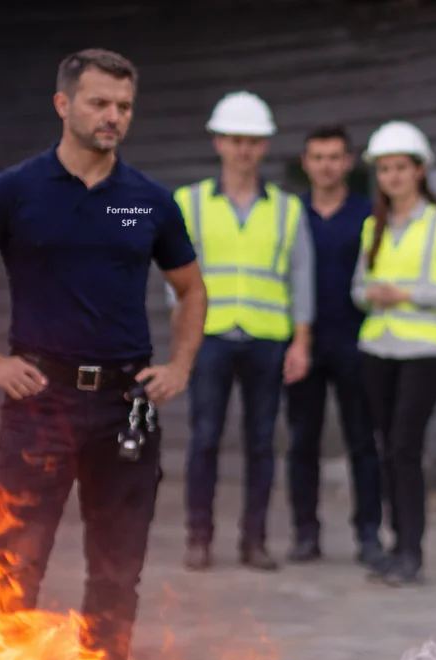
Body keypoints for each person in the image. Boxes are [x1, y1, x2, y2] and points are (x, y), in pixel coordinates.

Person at [0, 48, 205, 660]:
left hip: (124, 410)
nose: (113, 116)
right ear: (63, 104)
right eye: (100, 103)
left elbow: (190, 289)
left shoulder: (146, 203)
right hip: (40, 405)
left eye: (124, 106)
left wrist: (181, 365)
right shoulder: (12, 192)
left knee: (116, 570)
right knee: (16, 562)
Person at [174, 91, 315, 572]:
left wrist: (301, 341)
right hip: (209, 338)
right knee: (205, 439)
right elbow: (175, 276)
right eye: (234, 140)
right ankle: (199, 539)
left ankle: (253, 542)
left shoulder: (287, 209)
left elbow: (301, 278)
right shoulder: (188, 203)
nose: (243, 149)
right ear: (218, 142)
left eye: (252, 141)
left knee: (260, 443)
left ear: (264, 147)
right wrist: (182, 340)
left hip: (267, 339)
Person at [351, 121, 436, 586]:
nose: (392, 177)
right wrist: (373, 294)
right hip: (378, 349)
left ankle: (411, 553)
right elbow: (358, 290)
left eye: (401, 167)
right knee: (387, 449)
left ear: (419, 170)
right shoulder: (372, 226)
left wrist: (402, 292)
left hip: (426, 350)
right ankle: (393, 545)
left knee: (405, 447)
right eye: (384, 169)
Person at [284, 124, 386, 571]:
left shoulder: (368, 214)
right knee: (302, 442)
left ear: (348, 162)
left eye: (334, 157)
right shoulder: (290, 215)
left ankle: (368, 535)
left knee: (362, 443)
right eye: (317, 157)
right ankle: (306, 535)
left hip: (355, 344)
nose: (326, 166)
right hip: (303, 344)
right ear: (306, 163)